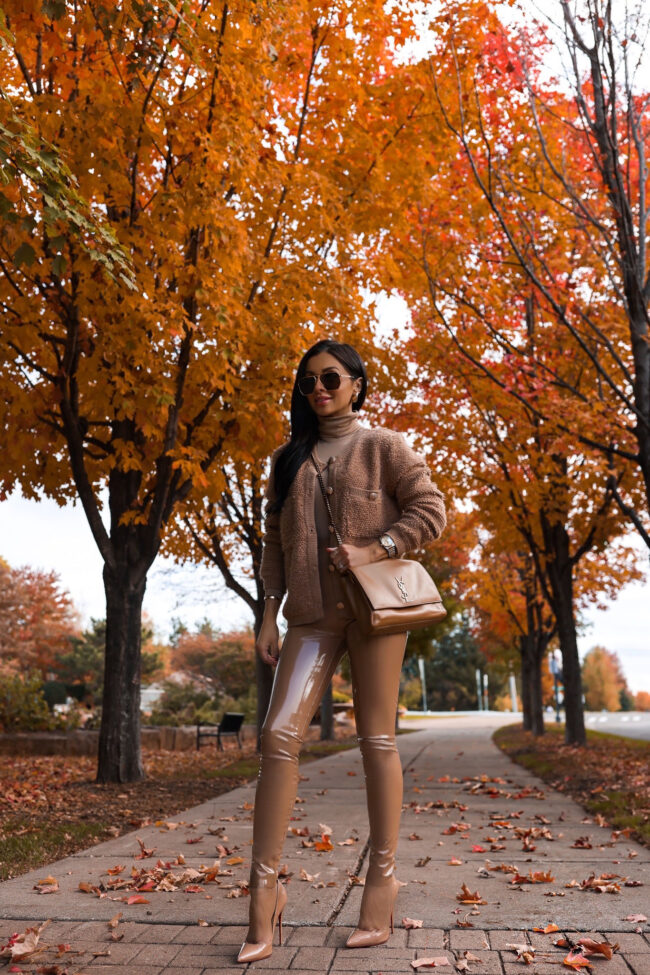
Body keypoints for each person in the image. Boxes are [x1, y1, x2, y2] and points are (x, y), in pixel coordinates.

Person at [236, 339, 446, 963]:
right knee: (277, 738)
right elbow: (274, 543)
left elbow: (431, 510)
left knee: (376, 740)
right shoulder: (286, 460)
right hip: (308, 614)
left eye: (330, 377)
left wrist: (375, 547)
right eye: (308, 382)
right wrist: (267, 614)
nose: (319, 389)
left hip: (374, 612)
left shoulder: (384, 446)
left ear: (357, 382)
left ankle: (381, 887)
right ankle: (263, 898)